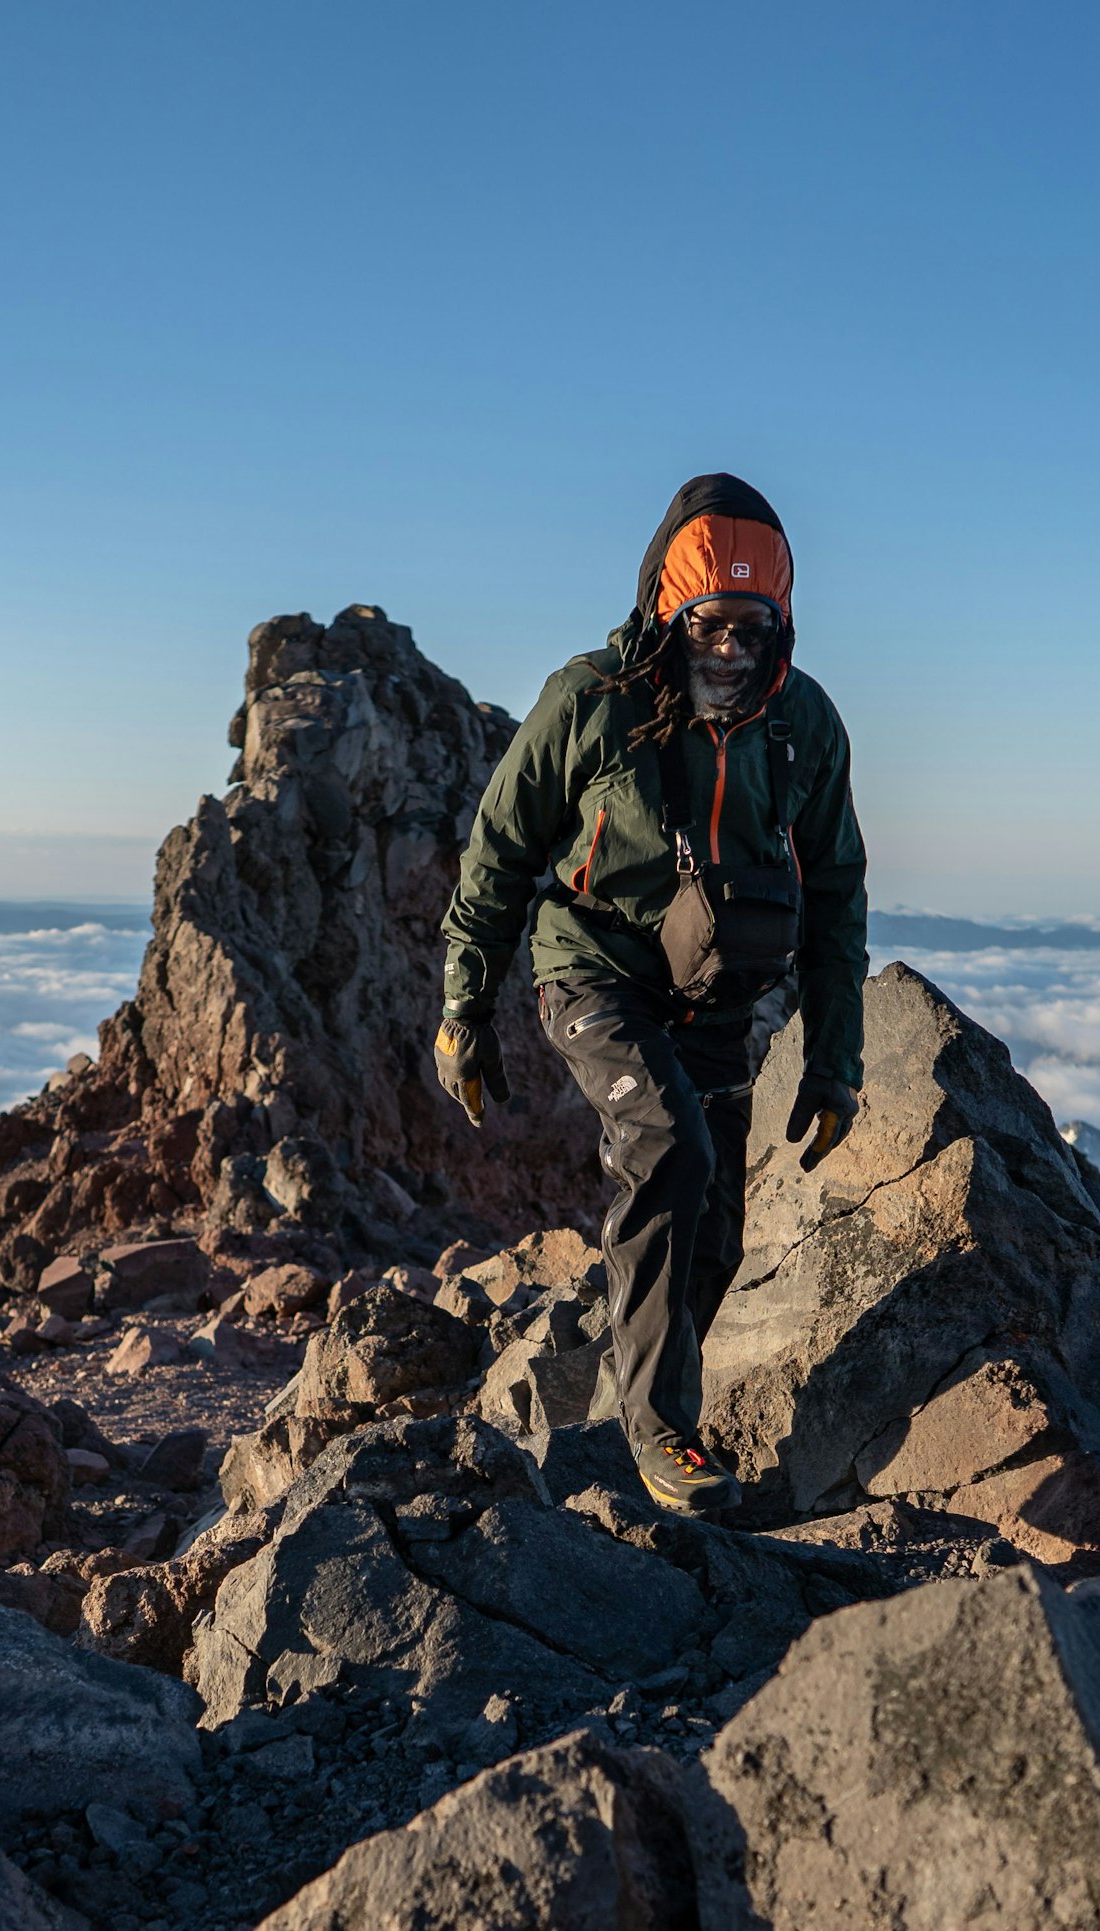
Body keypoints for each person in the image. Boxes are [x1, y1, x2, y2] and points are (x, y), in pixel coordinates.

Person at [432, 473, 867, 1515]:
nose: (729, 649)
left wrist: (837, 1060)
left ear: (783, 625)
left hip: (720, 995)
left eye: (752, 629)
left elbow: (840, 888)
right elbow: (499, 849)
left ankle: (634, 1374)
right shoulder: (592, 701)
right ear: (669, 615)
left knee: (714, 1223)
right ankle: (661, 1429)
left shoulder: (802, 725)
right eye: (709, 625)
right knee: (669, 1145)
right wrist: (465, 1006)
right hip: (593, 971)